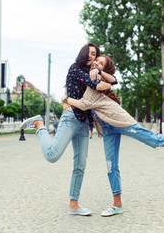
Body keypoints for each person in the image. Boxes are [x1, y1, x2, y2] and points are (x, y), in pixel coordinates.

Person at [62, 54, 164, 217]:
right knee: (111, 165)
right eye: (96, 61)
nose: (96, 63)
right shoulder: (90, 81)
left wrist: (66, 98)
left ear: (104, 69)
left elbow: (85, 104)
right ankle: (117, 204)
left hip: (121, 121)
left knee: (153, 140)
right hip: (108, 128)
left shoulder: (98, 82)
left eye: (100, 63)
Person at [20, 43, 113, 216]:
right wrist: (105, 83)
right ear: (84, 53)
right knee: (52, 155)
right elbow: (99, 86)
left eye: (96, 55)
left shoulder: (92, 73)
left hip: (84, 123)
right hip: (70, 119)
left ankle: (73, 204)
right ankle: (39, 125)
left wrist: (103, 77)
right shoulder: (75, 68)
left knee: (80, 165)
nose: (93, 57)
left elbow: (110, 82)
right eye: (91, 53)